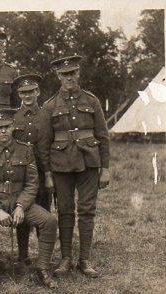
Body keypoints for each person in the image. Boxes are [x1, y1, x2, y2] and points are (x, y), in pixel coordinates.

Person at [37, 55, 110, 278]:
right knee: (65, 211)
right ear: (58, 76)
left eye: (73, 73)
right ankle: (66, 258)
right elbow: (44, 143)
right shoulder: (49, 105)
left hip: (89, 162)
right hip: (61, 166)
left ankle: (85, 259)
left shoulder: (92, 100)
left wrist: (105, 169)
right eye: (64, 74)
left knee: (87, 210)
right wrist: (48, 174)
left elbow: (103, 136)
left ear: (78, 73)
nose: (69, 77)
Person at [0, 108, 58, 290]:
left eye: (7, 126)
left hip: (21, 202)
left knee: (49, 221)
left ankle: (43, 268)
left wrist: (21, 206)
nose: (3, 131)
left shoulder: (25, 150)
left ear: (13, 126)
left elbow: (32, 184)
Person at [11, 73, 49, 264]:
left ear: (38, 92)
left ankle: (44, 256)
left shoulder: (46, 114)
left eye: (31, 92)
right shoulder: (13, 117)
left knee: (43, 210)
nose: (27, 96)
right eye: (23, 92)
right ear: (19, 94)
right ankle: (23, 254)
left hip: (42, 171)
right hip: (20, 172)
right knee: (22, 210)